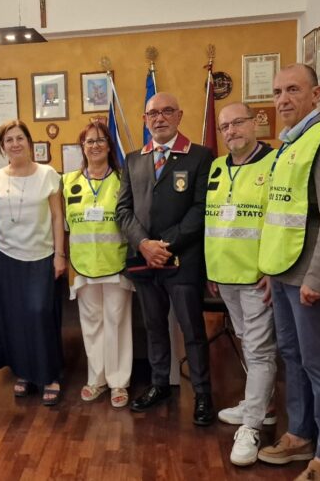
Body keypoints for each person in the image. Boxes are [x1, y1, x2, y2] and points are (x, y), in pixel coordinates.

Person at [256, 64, 320, 481]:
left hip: (312, 280)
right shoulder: (288, 144)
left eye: (293, 90)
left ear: (317, 94)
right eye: (277, 91)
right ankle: (300, 435)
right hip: (283, 274)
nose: (283, 99)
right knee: (292, 358)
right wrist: (270, 269)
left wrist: (318, 278)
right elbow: (282, 214)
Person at [115, 92, 214, 425]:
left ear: (179, 116)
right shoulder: (133, 160)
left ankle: (202, 394)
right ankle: (160, 385)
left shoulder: (200, 156)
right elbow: (123, 210)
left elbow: (201, 209)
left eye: (167, 111)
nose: (159, 118)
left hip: (182, 261)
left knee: (192, 330)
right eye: (152, 113)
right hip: (144, 262)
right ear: (145, 120)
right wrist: (144, 244)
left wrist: (165, 245)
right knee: (155, 327)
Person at [204, 102, 278, 466]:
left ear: (254, 123)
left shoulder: (274, 163)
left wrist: (273, 269)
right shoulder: (217, 167)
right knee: (247, 341)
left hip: (257, 277)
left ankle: (251, 426)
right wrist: (211, 269)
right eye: (225, 126)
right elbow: (213, 221)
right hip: (224, 275)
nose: (231, 130)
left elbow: (281, 220)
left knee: (260, 349)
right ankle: (260, 405)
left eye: (238, 123)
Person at [0, 119, 66, 406]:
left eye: (20, 138)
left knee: (40, 314)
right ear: (2, 147)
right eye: (9, 140)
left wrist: (59, 254)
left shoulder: (47, 175)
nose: (15, 144)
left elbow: (57, 216)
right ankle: (25, 373)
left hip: (40, 256)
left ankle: (50, 375)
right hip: (5, 258)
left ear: (30, 143)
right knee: (15, 318)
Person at [63, 121, 133, 408]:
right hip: (83, 265)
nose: (95, 145)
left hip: (116, 262)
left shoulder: (123, 179)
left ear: (109, 145)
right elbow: (63, 225)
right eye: (89, 141)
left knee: (117, 322)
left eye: (101, 140)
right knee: (91, 324)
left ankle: (118, 382)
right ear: (82, 147)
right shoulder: (68, 181)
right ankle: (97, 379)